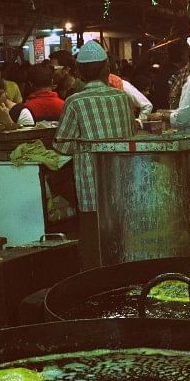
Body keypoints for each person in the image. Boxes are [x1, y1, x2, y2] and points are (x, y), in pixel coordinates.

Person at [54, 40, 135, 270]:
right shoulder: (122, 98)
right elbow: (131, 134)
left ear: (78, 72)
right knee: (122, 240)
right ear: (106, 68)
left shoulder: (74, 102)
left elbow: (63, 147)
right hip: (121, 182)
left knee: (94, 247)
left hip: (90, 187)